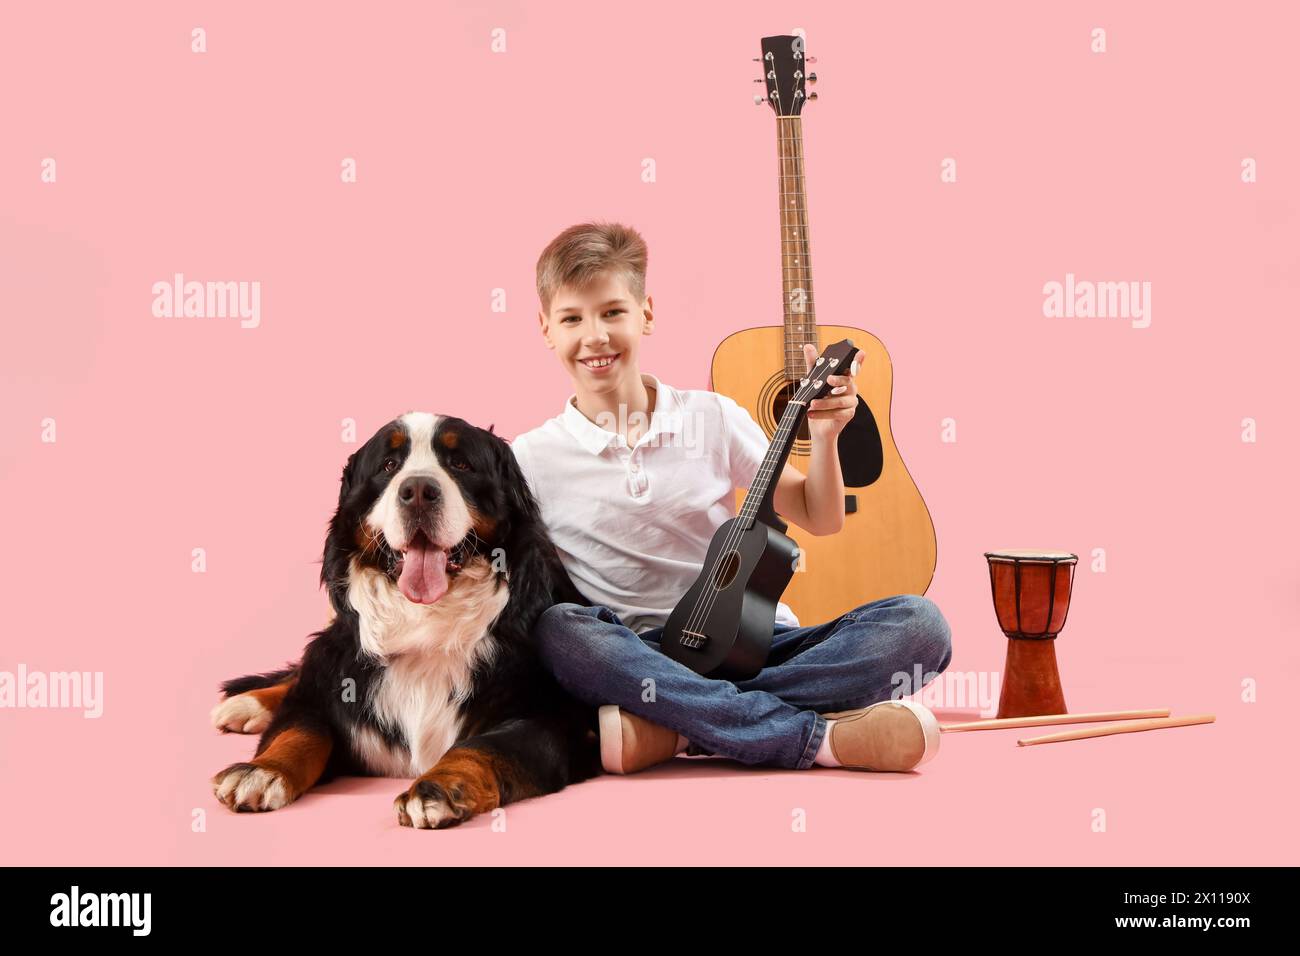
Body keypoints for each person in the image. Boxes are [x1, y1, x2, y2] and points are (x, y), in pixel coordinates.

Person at [509, 221, 952, 774]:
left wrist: (827, 438)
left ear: (646, 313)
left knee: (920, 626)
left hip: (755, 645)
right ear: (546, 328)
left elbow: (821, 516)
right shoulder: (528, 458)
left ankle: (676, 730)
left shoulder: (711, 418)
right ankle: (817, 739)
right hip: (640, 657)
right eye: (572, 318)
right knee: (561, 633)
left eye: (612, 312)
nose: (594, 336)